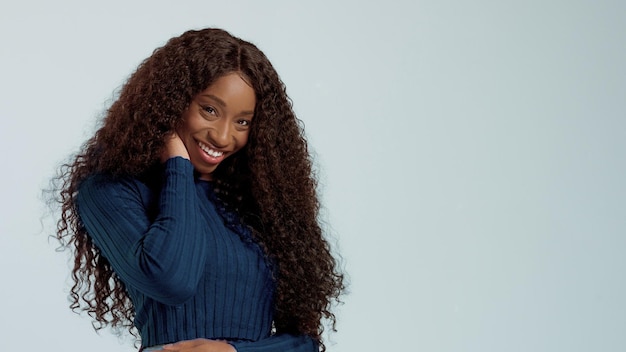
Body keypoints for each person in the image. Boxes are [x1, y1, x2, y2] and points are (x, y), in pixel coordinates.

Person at [52, 28, 344, 352]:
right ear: (172, 101)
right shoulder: (111, 191)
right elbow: (172, 279)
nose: (222, 136)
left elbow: (304, 344)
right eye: (210, 110)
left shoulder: (257, 204)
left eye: (242, 122)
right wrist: (177, 166)